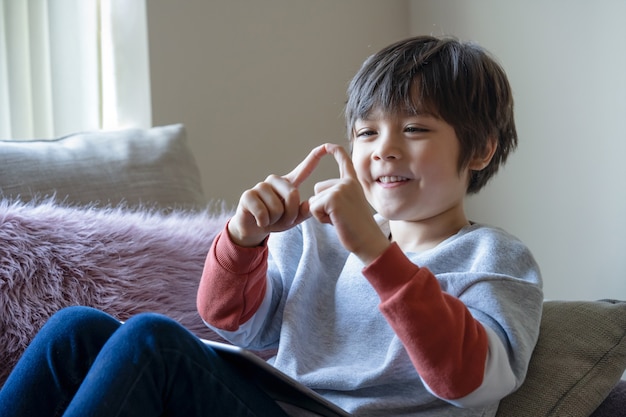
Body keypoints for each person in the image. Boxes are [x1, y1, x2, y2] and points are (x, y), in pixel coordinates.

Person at [0, 35, 542, 417]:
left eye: (416, 128)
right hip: (273, 403)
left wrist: (377, 253)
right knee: (74, 330)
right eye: (367, 133)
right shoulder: (317, 236)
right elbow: (235, 322)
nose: (385, 151)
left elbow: (470, 381)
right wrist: (244, 239)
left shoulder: (495, 258)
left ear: (481, 149)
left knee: (153, 343)